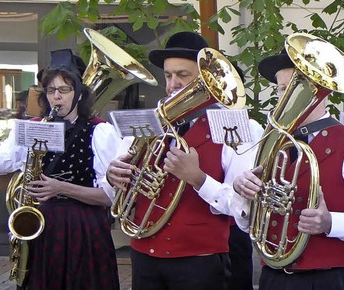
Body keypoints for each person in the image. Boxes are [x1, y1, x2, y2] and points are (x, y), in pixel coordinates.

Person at [105, 31, 263, 290]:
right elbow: (114, 190)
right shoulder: (149, 119)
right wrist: (113, 177)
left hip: (200, 261)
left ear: (206, 79)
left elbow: (241, 207)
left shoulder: (236, 124)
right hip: (144, 254)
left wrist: (198, 179)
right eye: (168, 75)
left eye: (183, 75)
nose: (172, 84)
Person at [232, 47, 344, 290]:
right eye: (281, 89)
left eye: (297, 88)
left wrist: (331, 223)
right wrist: (243, 195)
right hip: (272, 277)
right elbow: (247, 224)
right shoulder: (272, 144)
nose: (286, 98)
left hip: (326, 279)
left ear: (322, 91)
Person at [0, 49, 121, 289]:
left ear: (79, 94)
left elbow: (110, 197)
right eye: (50, 90)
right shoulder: (34, 127)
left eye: (64, 90)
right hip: (38, 226)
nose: (56, 97)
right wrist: (24, 150)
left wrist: (62, 187)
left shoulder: (100, 131)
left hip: (82, 228)